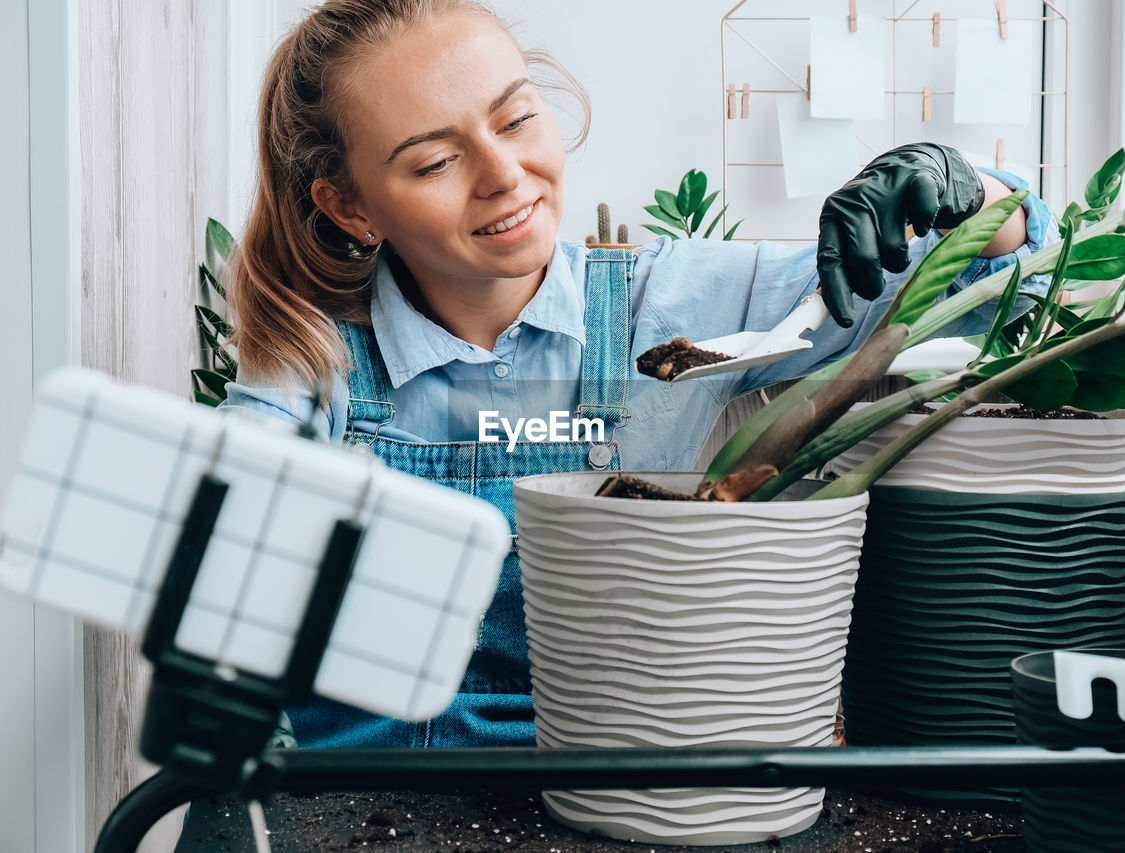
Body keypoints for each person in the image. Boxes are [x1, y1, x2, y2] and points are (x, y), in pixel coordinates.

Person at [224, 0, 1055, 748]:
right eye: (435, 162)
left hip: (617, 790)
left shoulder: (664, 308)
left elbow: (1002, 293)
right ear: (350, 207)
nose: (503, 175)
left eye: (515, 120)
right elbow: (221, 540)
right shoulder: (311, 358)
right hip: (369, 807)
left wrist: (970, 193)